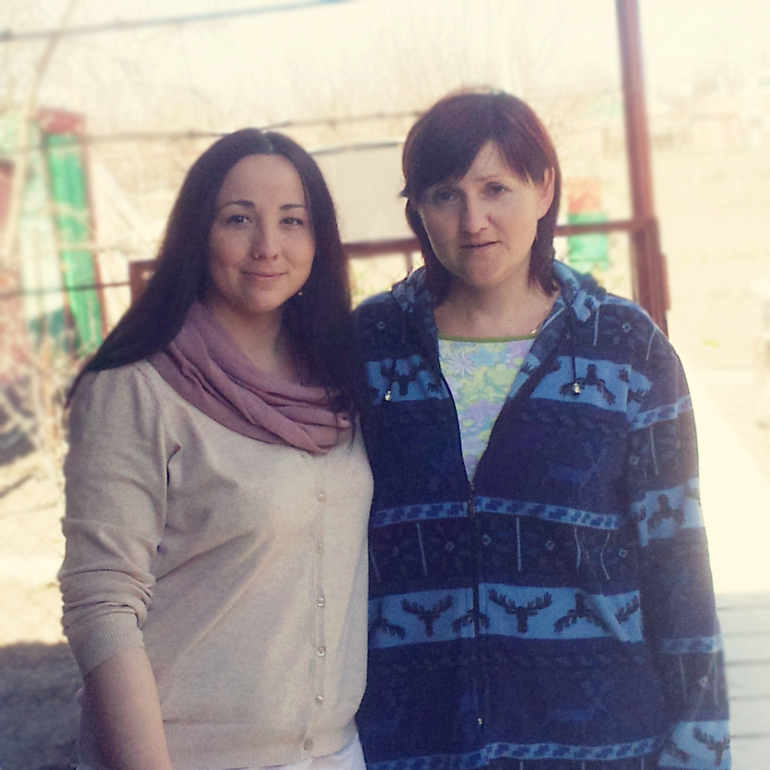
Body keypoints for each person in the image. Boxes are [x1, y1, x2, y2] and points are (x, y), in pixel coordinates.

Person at [353, 91, 729, 770]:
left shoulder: (625, 346)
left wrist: (700, 744)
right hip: (409, 742)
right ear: (418, 209)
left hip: (600, 743)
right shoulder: (370, 345)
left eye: (496, 188)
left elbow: (676, 558)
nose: (473, 220)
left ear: (545, 188)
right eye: (445, 195)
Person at [59, 128, 373, 770]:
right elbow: (103, 603)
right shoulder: (136, 387)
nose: (268, 246)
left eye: (292, 220)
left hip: (335, 753)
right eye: (239, 219)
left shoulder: (338, 379)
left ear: (319, 239)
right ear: (197, 233)